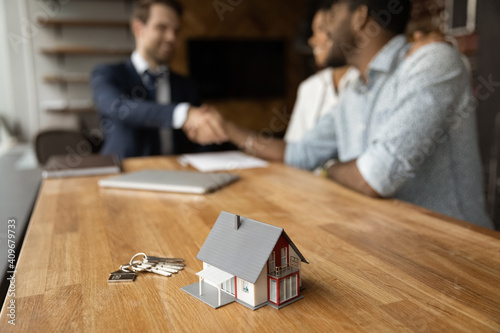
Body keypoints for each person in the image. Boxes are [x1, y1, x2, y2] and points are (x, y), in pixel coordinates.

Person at [205, 0, 493, 229]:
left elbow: (374, 177)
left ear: (360, 18)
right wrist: (229, 129)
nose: (325, 28)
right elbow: (299, 154)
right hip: (390, 244)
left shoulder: (430, 62)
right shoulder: (353, 89)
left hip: (457, 256)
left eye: (333, 14)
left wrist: (330, 168)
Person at [91, 0, 226, 159]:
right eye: (162, 28)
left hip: (178, 175)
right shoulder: (107, 74)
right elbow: (119, 107)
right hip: (125, 173)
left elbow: (200, 142)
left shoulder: (188, 86)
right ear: (138, 28)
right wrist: (182, 114)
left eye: (176, 31)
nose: (171, 37)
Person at [285, 3, 357, 143]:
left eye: (321, 29)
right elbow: (293, 146)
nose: (312, 40)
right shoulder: (310, 87)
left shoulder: (365, 82)